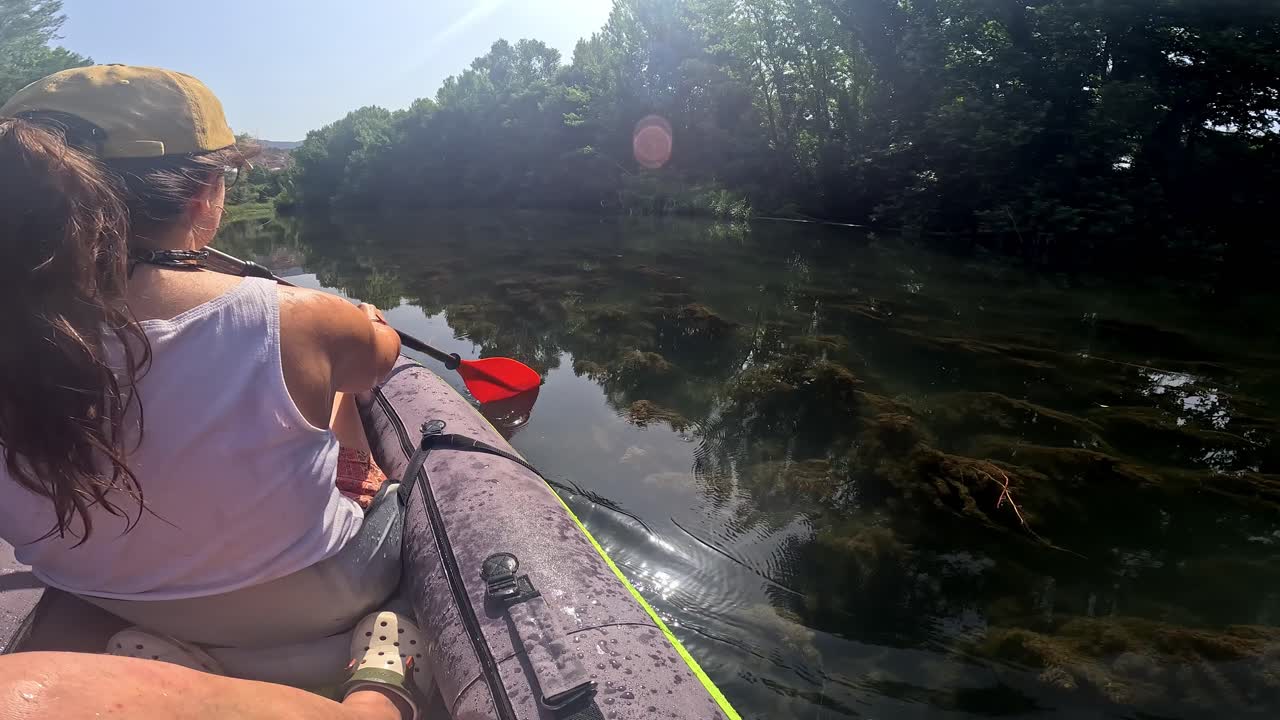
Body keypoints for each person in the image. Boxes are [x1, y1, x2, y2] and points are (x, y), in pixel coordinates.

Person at [0, 65, 421, 713]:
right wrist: (360, 323)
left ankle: (166, 652)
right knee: (344, 404)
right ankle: (379, 664)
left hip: (110, 598)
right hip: (322, 592)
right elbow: (375, 364)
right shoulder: (299, 317)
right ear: (203, 197)